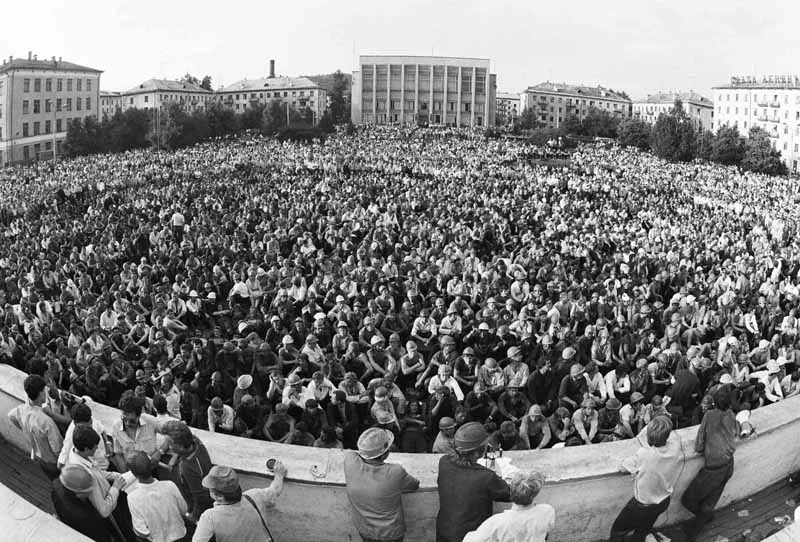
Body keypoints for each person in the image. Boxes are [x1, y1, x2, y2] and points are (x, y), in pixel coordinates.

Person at [610, 416, 683, 542]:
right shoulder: (675, 448)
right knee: (643, 529)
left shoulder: (645, 454)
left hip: (642, 506)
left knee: (618, 530)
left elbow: (623, 467)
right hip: (663, 501)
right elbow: (669, 436)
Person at [436, 421, 511, 542]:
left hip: (444, 531)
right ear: (478, 451)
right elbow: (510, 494)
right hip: (471, 536)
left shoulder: (443, 462)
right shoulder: (486, 477)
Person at [343, 427, 421, 542]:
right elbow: (415, 485)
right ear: (385, 454)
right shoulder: (395, 471)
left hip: (365, 529)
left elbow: (352, 452)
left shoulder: (350, 462)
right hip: (390, 533)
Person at [681, 389, 739, 541]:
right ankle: (705, 516)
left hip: (714, 469)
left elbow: (699, 445)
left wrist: (706, 447)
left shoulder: (709, 415)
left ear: (714, 403)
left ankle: (697, 527)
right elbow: (736, 431)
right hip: (728, 464)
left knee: (687, 500)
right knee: (710, 501)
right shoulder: (731, 415)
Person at [193, 462, 287, 542]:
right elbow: (275, 490)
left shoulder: (209, 517)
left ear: (220, 497)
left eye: (211, 490)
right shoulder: (255, 496)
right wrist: (279, 475)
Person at [462, 470, 554, 542]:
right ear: (535, 494)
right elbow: (546, 532)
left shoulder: (497, 522)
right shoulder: (547, 511)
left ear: (510, 490)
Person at [8, 374, 63, 479]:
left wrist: (25, 430)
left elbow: (11, 416)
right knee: (58, 480)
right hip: (52, 462)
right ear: (41, 393)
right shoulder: (46, 421)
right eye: (44, 390)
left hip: (39, 457)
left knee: (52, 478)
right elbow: (57, 450)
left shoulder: (20, 410)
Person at [127, 451, 189, 542]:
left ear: (132, 473)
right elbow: (184, 509)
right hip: (180, 536)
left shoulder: (133, 497)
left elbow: (141, 531)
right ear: (152, 466)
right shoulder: (170, 485)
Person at [52, 464, 119, 542]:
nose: (92, 492)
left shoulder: (57, 483)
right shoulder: (82, 515)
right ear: (78, 493)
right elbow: (99, 535)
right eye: (88, 491)